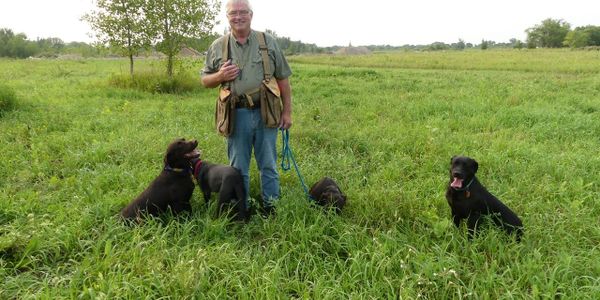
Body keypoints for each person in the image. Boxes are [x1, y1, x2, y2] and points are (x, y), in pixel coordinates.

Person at [201, 0, 293, 215]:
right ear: (227, 16)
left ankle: (271, 206)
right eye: (233, 13)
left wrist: (287, 112)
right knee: (237, 168)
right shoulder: (218, 46)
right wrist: (220, 76)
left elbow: (284, 80)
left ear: (251, 15)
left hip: (266, 113)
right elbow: (205, 80)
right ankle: (241, 208)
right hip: (236, 114)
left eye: (243, 12)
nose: (238, 16)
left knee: (268, 164)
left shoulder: (268, 42)